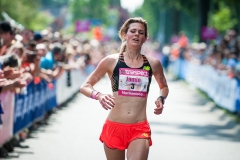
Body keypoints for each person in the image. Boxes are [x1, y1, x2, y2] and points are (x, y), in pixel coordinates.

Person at [80, 17, 169, 160]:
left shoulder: (153, 64)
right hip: (114, 127)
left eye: (141, 32)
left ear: (145, 38)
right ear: (124, 34)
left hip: (139, 128)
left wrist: (161, 98)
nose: (136, 35)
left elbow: (163, 86)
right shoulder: (111, 61)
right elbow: (85, 86)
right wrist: (99, 95)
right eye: (132, 31)